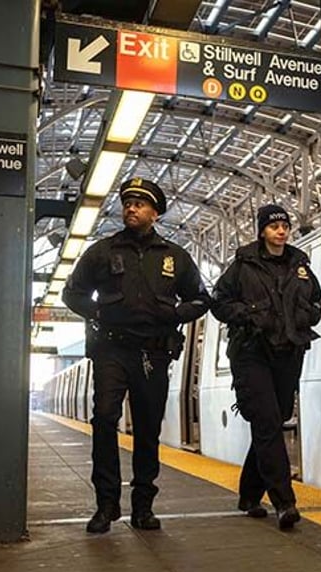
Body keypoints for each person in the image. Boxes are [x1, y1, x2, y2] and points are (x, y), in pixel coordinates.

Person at [63, 177, 211, 534]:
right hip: (112, 350)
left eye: (140, 204)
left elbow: (202, 298)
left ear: (155, 213)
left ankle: (143, 506)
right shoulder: (102, 252)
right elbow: (73, 293)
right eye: (128, 202)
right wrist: (98, 313)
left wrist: (176, 315)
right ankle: (106, 504)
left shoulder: (175, 258)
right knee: (103, 419)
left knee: (147, 430)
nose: (131, 208)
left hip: (153, 354)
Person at [211, 204, 321, 531]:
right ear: (263, 231)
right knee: (268, 421)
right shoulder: (243, 265)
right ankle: (284, 502)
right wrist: (247, 316)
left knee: (274, 420)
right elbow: (219, 301)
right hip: (252, 352)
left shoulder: (300, 265)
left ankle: (248, 495)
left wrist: (308, 316)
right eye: (275, 226)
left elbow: (316, 298)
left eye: (285, 225)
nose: (282, 231)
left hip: (288, 351)